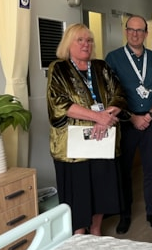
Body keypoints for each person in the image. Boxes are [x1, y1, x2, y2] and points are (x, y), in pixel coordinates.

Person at [46, 23, 127, 235]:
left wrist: (104, 118)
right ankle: (79, 236)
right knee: (78, 194)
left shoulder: (101, 67)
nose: (86, 44)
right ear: (68, 44)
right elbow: (59, 103)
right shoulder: (59, 68)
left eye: (89, 40)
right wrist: (97, 116)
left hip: (102, 142)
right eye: (80, 40)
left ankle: (97, 231)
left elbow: (119, 94)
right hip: (73, 149)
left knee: (101, 191)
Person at [105, 15, 152, 234]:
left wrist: (149, 115)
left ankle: (151, 212)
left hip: (151, 120)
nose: (135, 34)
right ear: (126, 31)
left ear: (146, 33)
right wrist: (132, 117)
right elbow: (112, 93)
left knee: (151, 169)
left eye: (140, 30)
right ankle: (125, 214)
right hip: (126, 122)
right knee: (124, 170)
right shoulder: (113, 58)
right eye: (131, 29)